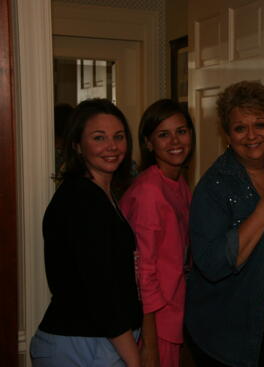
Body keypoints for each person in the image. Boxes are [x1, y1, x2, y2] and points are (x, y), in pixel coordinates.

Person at [185, 81, 264, 367]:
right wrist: (261, 214)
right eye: (239, 128)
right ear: (227, 134)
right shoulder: (214, 187)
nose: (251, 136)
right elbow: (211, 264)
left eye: (259, 125)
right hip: (230, 329)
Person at [29, 98, 142, 367]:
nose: (112, 146)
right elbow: (101, 293)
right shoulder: (81, 201)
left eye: (118, 136)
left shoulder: (101, 195)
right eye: (99, 138)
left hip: (100, 343)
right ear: (78, 146)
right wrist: (135, 361)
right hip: (81, 346)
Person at [120, 99, 194, 367]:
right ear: (149, 143)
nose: (175, 140)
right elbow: (143, 274)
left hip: (173, 317)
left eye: (181, 131)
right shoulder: (149, 192)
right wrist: (149, 346)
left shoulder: (178, 182)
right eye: (163, 134)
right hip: (153, 325)